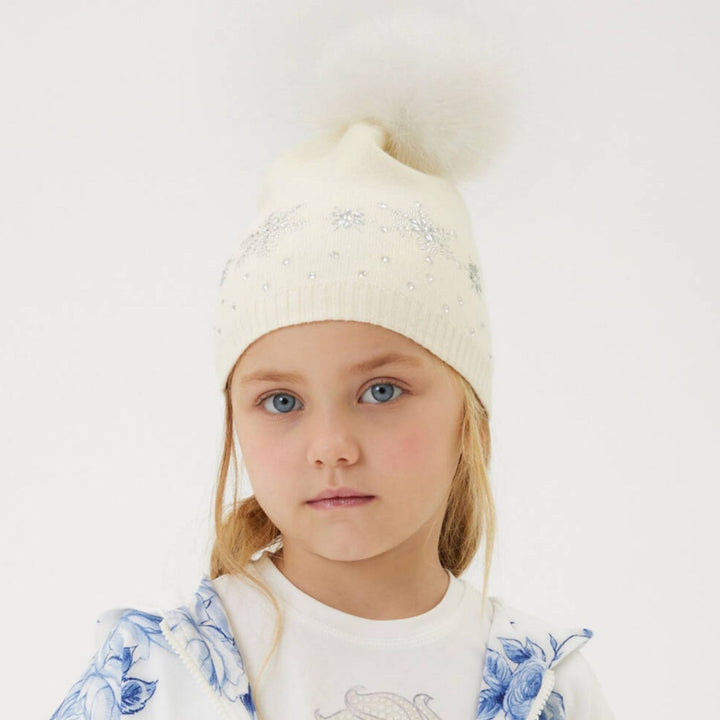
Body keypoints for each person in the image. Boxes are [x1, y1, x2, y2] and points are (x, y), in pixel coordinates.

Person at [49, 13, 615, 720]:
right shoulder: (161, 675)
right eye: (282, 401)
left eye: (381, 390)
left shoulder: (546, 686)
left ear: (467, 408)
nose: (331, 447)